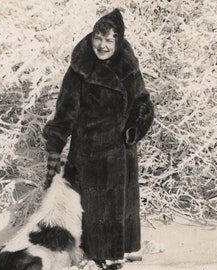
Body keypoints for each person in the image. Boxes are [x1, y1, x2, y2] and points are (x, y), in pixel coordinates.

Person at [42, 8, 154, 269]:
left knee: (120, 216)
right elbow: (64, 113)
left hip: (122, 156)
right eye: (98, 38)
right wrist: (55, 148)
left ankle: (123, 254)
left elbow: (143, 103)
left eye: (109, 40)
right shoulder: (79, 70)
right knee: (94, 221)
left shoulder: (129, 68)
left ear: (118, 41)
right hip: (89, 156)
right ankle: (98, 259)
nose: (102, 46)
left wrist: (135, 129)